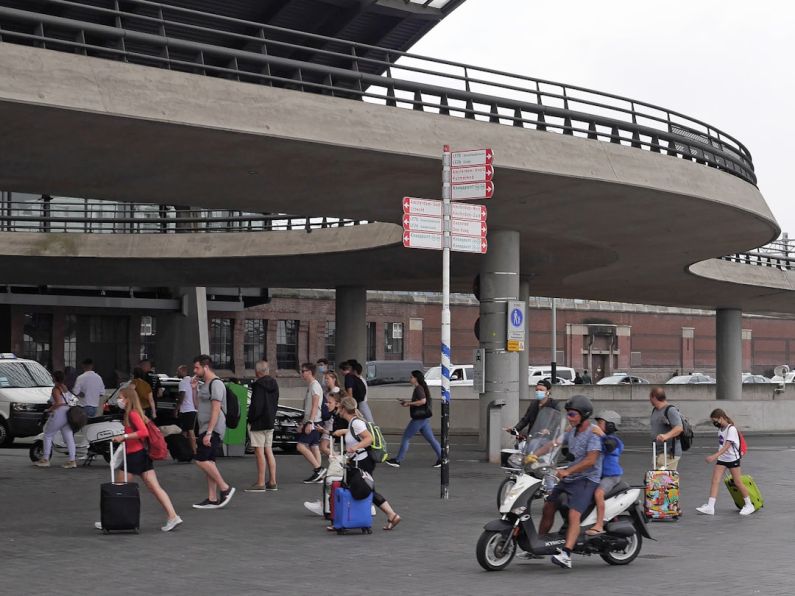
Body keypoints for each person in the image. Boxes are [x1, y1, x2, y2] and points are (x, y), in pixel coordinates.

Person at [95, 385, 182, 532]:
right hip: (141, 455)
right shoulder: (135, 413)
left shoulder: (132, 415)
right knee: (154, 487)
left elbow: (143, 432)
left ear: (128, 399)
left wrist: (124, 437)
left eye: (121, 397)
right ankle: (172, 516)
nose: (119, 400)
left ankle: (110, 519)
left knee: (118, 487)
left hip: (134, 456)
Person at [535, 395, 602, 570]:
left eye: (572, 414)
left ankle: (566, 554)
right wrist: (534, 455)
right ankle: (537, 546)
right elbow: (553, 443)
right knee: (548, 506)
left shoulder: (593, 433)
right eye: (568, 414)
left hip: (587, 479)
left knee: (574, 514)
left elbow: (590, 461)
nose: (569, 418)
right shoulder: (571, 432)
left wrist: (567, 471)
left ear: (583, 415)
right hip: (570, 477)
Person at [332, 396, 400, 531]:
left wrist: (354, 448)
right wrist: (344, 432)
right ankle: (390, 515)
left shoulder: (356, 423)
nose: (337, 409)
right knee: (356, 487)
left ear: (344, 409)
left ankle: (390, 515)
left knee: (365, 489)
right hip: (357, 461)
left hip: (363, 461)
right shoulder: (352, 423)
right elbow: (356, 434)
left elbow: (369, 438)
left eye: (339, 407)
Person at [191, 355, 235, 509]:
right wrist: (194, 389)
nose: (195, 371)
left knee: (200, 459)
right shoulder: (205, 384)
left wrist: (209, 432)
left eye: (197, 367)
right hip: (205, 427)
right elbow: (198, 405)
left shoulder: (216, 384)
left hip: (213, 428)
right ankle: (212, 498)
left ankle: (225, 488)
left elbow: (216, 409)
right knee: (209, 462)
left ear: (206, 367)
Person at [696, 408, 756, 516]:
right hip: (722, 459)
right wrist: (718, 457)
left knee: (737, 482)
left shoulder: (731, 429)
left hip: (733, 459)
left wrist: (714, 456)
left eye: (715, 420)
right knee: (715, 480)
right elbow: (721, 445)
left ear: (721, 418)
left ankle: (749, 505)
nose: (714, 423)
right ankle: (710, 506)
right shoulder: (720, 429)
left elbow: (727, 446)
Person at [385, 370, 442, 468]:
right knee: (431, 439)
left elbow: (423, 401)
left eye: (411, 377)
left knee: (406, 437)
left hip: (419, 419)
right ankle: (442, 458)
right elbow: (422, 401)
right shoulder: (421, 387)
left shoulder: (418, 388)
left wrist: (408, 403)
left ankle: (398, 460)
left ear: (416, 378)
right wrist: (407, 402)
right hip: (423, 418)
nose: (410, 379)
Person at [586, 410, 624, 535]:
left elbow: (610, 446)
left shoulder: (615, 440)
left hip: (611, 476)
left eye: (601, 423)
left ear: (610, 425)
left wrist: (602, 434)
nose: (597, 425)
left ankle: (599, 524)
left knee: (598, 493)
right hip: (598, 475)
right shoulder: (598, 439)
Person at [245, 360, 279, 492]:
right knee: (268, 450)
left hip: (258, 422)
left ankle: (260, 483)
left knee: (259, 452)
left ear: (257, 371)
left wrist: (251, 419)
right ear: (267, 370)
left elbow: (256, 406)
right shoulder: (274, 384)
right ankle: (272, 481)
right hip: (270, 421)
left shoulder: (258, 386)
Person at [33, 370, 77, 469]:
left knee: (48, 435)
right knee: (69, 437)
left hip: (59, 413)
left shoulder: (56, 389)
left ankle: (45, 459)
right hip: (68, 413)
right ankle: (72, 460)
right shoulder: (65, 387)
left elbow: (58, 402)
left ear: (53, 378)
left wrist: (49, 410)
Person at [298, 362, 325, 484]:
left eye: (303, 371)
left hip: (313, 421)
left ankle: (318, 469)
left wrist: (309, 422)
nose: (302, 373)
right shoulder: (312, 386)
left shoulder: (314, 386)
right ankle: (320, 474)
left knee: (301, 446)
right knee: (314, 447)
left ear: (310, 372)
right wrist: (304, 422)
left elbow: (315, 405)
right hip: (313, 420)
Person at [649, 387, 684, 470]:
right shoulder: (655, 410)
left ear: (654, 397)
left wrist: (666, 436)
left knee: (664, 480)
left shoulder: (670, 410)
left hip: (669, 452)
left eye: (650, 398)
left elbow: (679, 428)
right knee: (656, 480)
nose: (649, 400)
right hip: (658, 451)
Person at [319, 370, 344, 458]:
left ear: (334, 379)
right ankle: (337, 462)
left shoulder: (335, 391)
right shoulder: (328, 391)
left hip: (332, 421)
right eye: (325, 379)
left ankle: (340, 461)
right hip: (328, 421)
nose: (326, 380)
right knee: (328, 446)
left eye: (327, 378)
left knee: (323, 446)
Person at [175, 364, 198, 454]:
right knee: (185, 431)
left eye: (178, 371)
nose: (176, 373)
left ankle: (194, 451)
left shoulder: (183, 382)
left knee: (189, 430)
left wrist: (176, 408)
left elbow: (182, 396)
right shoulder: (193, 381)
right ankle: (185, 450)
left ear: (184, 371)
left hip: (186, 410)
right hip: (193, 409)